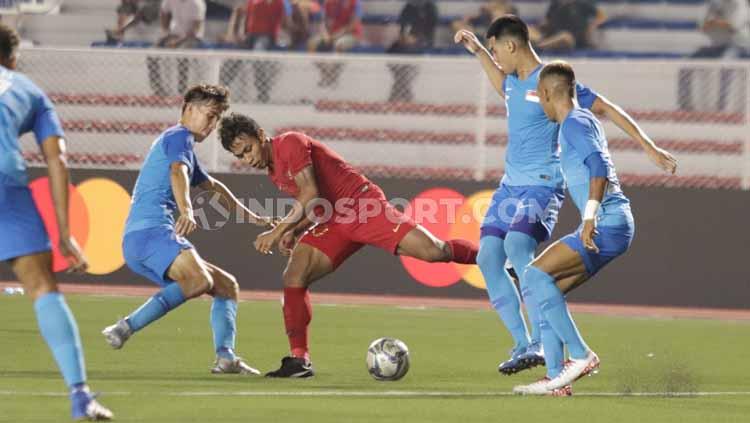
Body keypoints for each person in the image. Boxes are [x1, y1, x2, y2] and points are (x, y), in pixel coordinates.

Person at [454, 15, 677, 378]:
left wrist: (648, 147)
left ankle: (545, 342)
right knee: (488, 257)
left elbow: (605, 108)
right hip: (510, 185)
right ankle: (524, 345)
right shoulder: (511, 81)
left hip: (543, 184)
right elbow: (501, 85)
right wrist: (479, 51)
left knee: (517, 248)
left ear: (511, 46)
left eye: (496, 50)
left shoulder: (551, 83)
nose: (496, 58)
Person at [218, 114, 479, 377]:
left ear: (261, 134)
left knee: (435, 252)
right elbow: (316, 203)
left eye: (249, 148)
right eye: (241, 156)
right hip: (334, 220)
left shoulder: (290, 143)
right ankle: (299, 360)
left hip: (363, 207)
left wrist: (278, 231)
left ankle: (492, 257)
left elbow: (311, 193)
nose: (248, 159)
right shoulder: (274, 171)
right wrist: (295, 230)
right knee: (295, 274)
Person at [101, 85, 274, 375]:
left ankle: (226, 357)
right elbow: (177, 172)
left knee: (226, 286)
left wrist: (251, 216)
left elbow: (213, 187)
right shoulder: (178, 136)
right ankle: (124, 328)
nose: (212, 124)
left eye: (217, 117)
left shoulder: (182, 147)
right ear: (189, 109)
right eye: (210, 115)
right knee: (198, 280)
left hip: (144, 239)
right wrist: (186, 209)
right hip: (151, 233)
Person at [0, 23, 113, 420]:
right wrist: (65, 233)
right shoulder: (29, 90)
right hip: (5, 185)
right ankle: (80, 396)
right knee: (42, 285)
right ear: (13, 58)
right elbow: (57, 159)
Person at [513, 61, 635, 395]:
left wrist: (589, 217)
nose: (540, 103)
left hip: (607, 223)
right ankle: (557, 380)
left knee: (535, 275)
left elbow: (598, 167)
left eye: (540, 96)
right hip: (616, 224)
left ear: (550, 93)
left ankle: (581, 355)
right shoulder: (584, 120)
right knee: (544, 288)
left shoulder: (574, 125)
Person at [219, 0, 292, 103]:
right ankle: (221, 87)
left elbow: (284, 21)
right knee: (235, 58)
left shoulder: (279, 2)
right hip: (251, 35)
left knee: (258, 58)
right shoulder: (252, 1)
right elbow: (247, 17)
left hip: (266, 36)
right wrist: (242, 35)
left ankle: (263, 93)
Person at [147, 0, 207, 96]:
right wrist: (165, 32)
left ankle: (182, 90)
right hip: (173, 34)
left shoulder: (196, 4)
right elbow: (163, 13)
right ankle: (158, 90)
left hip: (192, 38)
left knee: (182, 54)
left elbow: (195, 30)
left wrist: (177, 42)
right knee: (152, 53)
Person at [386, 0, 438, 102]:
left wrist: (416, 38)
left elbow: (429, 30)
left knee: (408, 53)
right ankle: (406, 94)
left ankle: (398, 94)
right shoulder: (408, 7)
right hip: (406, 40)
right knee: (393, 50)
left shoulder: (430, 7)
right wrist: (404, 37)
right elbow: (402, 27)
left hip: (423, 40)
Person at [308, 0, 363, 87]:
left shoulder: (355, 2)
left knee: (339, 44)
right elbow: (323, 22)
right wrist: (325, 34)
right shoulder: (329, 2)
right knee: (312, 43)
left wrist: (338, 35)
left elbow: (354, 24)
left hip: (351, 34)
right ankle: (326, 75)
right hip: (332, 34)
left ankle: (334, 75)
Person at [530, 0, 606, 51]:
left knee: (566, 37)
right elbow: (546, 21)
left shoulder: (582, 3)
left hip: (573, 39)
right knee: (526, 29)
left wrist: (592, 26)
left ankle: (538, 47)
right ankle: (535, 45)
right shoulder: (555, 4)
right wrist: (537, 27)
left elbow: (601, 16)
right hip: (552, 35)